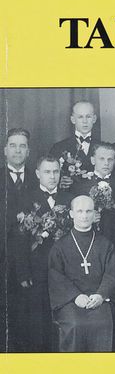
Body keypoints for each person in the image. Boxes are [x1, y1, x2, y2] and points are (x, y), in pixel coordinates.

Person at [48, 195, 115, 352]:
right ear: (71, 214)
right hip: (70, 302)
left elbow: (112, 273)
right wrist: (75, 296)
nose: (84, 216)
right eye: (79, 211)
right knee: (76, 325)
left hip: (98, 300)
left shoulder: (105, 244)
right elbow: (56, 277)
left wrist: (101, 295)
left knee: (103, 323)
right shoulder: (60, 246)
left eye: (88, 211)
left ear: (94, 214)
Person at [15, 156, 72, 352]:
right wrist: (23, 272)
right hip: (37, 269)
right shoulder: (26, 199)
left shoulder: (69, 199)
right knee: (38, 317)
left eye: (56, 171)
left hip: (65, 269)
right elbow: (19, 240)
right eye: (47, 172)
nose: (52, 176)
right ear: (38, 174)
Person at [0, 128, 36, 351]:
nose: (17, 150)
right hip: (3, 257)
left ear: (28, 151)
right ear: (5, 150)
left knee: (26, 315)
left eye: (22, 146)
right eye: (13, 145)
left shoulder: (37, 178)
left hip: (29, 260)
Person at [70, 142, 115, 246]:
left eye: (110, 159)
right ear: (93, 160)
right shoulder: (80, 186)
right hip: (88, 240)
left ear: (114, 161)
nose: (106, 163)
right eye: (102, 159)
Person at [50, 101, 98, 186]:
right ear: (73, 119)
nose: (85, 121)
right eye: (80, 117)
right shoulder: (58, 147)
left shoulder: (102, 147)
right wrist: (59, 181)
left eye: (88, 117)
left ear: (94, 119)